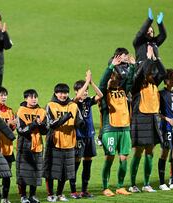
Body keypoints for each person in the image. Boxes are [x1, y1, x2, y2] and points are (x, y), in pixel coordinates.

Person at [129, 46, 166, 193]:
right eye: (147, 70)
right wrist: (148, 59)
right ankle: (132, 184)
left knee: (150, 152)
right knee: (138, 152)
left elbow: (163, 72)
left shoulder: (153, 83)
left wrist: (155, 59)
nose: (150, 72)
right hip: (140, 118)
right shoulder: (136, 85)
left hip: (152, 119)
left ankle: (146, 183)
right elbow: (138, 76)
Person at [99, 49, 135, 197]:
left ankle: (120, 186)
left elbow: (130, 80)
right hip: (110, 128)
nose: (113, 79)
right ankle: (105, 187)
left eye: (115, 77)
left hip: (125, 128)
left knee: (124, 158)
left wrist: (132, 67)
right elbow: (102, 83)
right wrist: (110, 67)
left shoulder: (123, 90)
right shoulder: (103, 93)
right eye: (111, 77)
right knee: (109, 157)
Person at [43, 83, 84, 202]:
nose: (63, 95)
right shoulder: (50, 105)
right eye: (60, 93)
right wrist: (66, 117)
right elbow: (52, 124)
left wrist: (80, 124)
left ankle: (60, 194)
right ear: (55, 93)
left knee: (65, 172)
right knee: (50, 171)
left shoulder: (73, 105)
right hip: (54, 143)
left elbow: (79, 120)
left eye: (65, 93)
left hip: (69, 143)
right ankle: (50, 194)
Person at [69, 69, 103, 199]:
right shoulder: (74, 101)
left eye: (87, 90)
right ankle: (73, 191)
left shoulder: (89, 101)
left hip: (90, 136)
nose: (86, 93)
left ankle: (84, 190)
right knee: (76, 163)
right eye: (84, 90)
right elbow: (78, 97)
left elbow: (100, 95)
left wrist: (91, 82)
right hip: (79, 136)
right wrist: (87, 81)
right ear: (76, 91)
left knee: (87, 163)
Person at [16, 89, 48, 203]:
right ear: (26, 99)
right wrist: (35, 123)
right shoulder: (21, 111)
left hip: (38, 145)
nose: (34, 99)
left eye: (35, 97)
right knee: (24, 171)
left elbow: (45, 131)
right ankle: (23, 196)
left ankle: (32, 195)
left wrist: (41, 125)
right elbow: (21, 130)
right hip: (24, 145)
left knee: (36, 170)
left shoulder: (42, 111)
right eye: (31, 97)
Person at [0, 87, 16, 203]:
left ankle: (5, 198)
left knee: (6, 174)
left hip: (7, 147)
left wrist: (13, 125)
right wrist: (7, 123)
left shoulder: (10, 111)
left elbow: (13, 128)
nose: (4, 97)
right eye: (1, 95)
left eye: (5, 95)